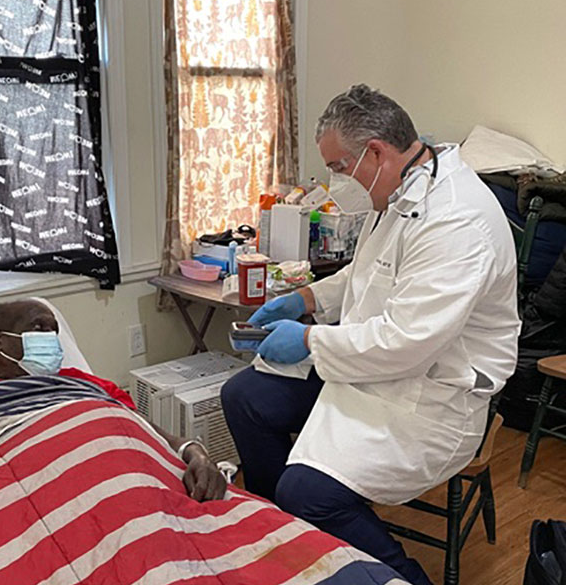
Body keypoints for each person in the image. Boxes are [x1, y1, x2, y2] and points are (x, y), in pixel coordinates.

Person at [221, 85, 520, 585]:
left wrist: (311, 340)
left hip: (432, 399)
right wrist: (308, 299)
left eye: (339, 168)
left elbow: (406, 342)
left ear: (376, 152)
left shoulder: (457, 220)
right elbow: (368, 273)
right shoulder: (401, 189)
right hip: (372, 369)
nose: (334, 182)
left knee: (308, 490)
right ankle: (297, 539)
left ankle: (394, 574)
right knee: (245, 396)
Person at [0, 299, 226, 502]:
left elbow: (144, 432)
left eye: (54, 331)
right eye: (38, 328)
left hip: (107, 485)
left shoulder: (85, 383)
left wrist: (197, 455)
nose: (50, 338)